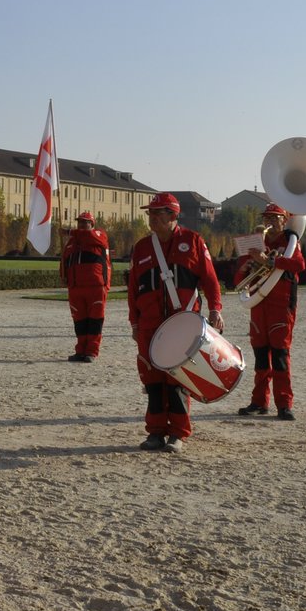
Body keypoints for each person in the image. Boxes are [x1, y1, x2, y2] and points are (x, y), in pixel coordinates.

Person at [128, 192, 224, 453]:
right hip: (149, 326)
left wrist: (215, 309)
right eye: (150, 214)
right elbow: (133, 289)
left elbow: (210, 280)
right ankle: (155, 432)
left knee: (178, 380)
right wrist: (134, 324)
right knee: (152, 380)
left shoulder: (193, 241)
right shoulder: (142, 247)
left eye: (158, 214)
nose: (152, 219)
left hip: (182, 324)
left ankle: (178, 434)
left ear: (173, 215)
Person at [234, 203, 306, 421]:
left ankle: (284, 404)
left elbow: (299, 265)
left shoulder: (291, 242)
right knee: (260, 357)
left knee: (280, 356)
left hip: (281, 306)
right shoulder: (255, 243)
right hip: (258, 305)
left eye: (275, 218)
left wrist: (270, 260)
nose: (271, 222)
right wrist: (247, 267)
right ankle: (259, 402)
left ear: (285, 220)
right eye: (267, 218)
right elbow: (239, 280)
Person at [61, 211, 111, 362]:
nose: (81, 225)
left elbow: (88, 236)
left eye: (85, 222)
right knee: (80, 320)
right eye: (79, 222)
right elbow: (64, 260)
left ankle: (91, 351)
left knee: (95, 320)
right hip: (76, 287)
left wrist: (69, 232)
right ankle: (80, 350)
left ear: (92, 224)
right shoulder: (72, 242)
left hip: (95, 286)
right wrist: (63, 276)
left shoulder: (99, 235)